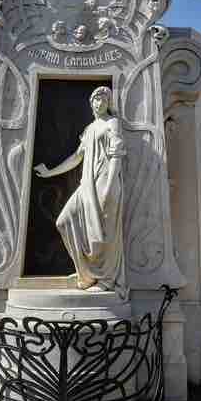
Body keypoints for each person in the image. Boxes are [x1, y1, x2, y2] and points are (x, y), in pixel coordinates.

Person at [34, 87, 127, 296]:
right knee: (64, 222)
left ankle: (106, 278)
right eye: (96, 99)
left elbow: (116, 156)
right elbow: (77, 157)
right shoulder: (89, 128)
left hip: (105, 183)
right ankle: (85, 274)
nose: (99, 102)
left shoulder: (113, 123)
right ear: (91, 102)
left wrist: (111, 184)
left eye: (104, 99)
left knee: (105, 235)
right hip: (87, 185)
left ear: (109, 103)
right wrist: (50, 173)